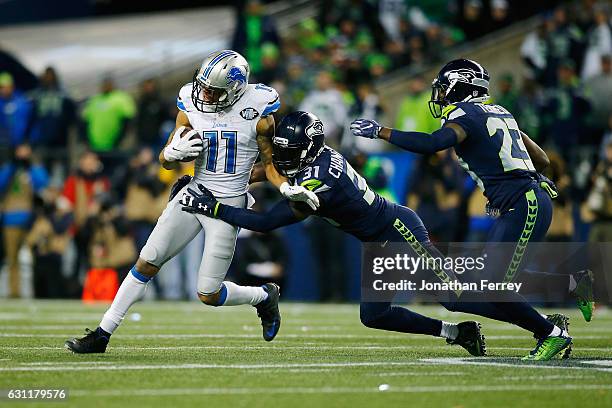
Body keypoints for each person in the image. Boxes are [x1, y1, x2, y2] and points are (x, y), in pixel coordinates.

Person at [183, 111, 572, 361]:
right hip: (380, 239)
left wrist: (211, 207)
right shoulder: (314, 158)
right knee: (376, 314)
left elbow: (267, 221)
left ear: (306, 148)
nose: (281, 159)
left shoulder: (323, 180)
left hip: (399, 231)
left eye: (288, 152)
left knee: (457, 294)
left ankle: (547, 327)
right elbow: (279, 176)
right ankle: (460, 333)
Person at [65, 50, 320, 353]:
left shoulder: (259, 109)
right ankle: (102, 333)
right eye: (204, 86)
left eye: (214, 90)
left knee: (208, 293)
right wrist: (170, 155)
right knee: (146, 262)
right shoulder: (190, 101)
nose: (205, 94)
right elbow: (166, 157)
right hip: (194, 192)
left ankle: (264, 297)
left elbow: (269, 163)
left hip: (227, 204)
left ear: (236, 88)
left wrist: (285, 188)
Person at [350, 59, 588, 360]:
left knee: (493, 283)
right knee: (479, 285)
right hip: (523, 201)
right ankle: (572, 284)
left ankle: (551, 334)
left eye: (443, 88)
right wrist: (525, 180)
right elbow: (540, 159)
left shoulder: (466, 114)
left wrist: (381, 132)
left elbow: (434, 143)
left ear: (459, 86)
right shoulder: (500, 111)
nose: (439, 96)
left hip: (522, 202)